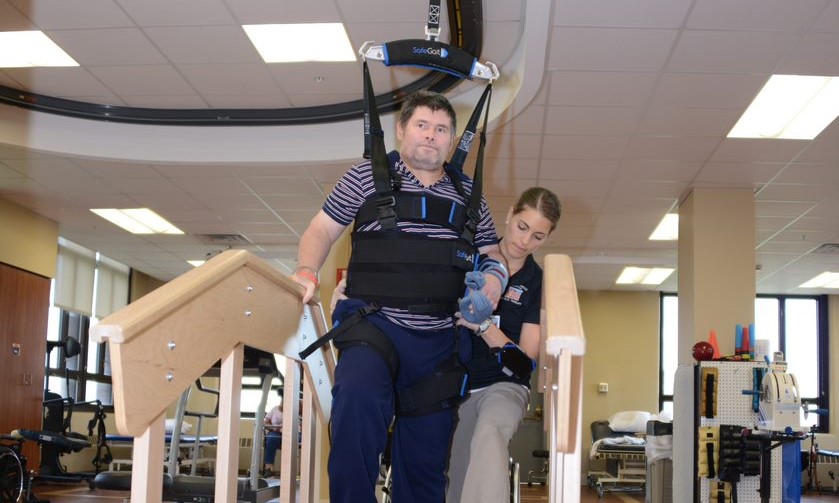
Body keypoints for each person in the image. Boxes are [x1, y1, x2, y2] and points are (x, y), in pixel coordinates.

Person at [292, 90, 507, 503]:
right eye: (422, 125)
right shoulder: (365, 176)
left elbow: (492, 254)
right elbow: (321, 229)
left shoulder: (469, 194)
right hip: (374, 325)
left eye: (441, 129)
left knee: (426, 467)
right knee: (357, 404)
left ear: (452, 140)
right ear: (402, 130)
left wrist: (494, 280)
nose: (431, 135)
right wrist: (306, 270)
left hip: (438, 342)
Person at [446, 187, 561, 503]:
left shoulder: (537, 282)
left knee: (490, 432)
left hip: (504, 386)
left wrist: (484, 326)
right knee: (456, 474)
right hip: (458, 385)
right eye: (522, 227)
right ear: (510, 214)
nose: (525, 241)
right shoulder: (470, 258)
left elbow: (523, 363)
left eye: (538, 236)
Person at [262, 395, 283, 477]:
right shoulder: (275, 409)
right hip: (275, 431)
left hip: (292, 432)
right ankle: (269, 468)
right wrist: (275, 428)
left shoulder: (297, 409)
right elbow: (266, 421)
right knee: (271, 439)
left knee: (294, 440)